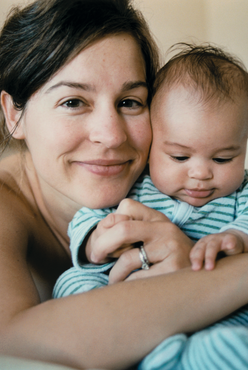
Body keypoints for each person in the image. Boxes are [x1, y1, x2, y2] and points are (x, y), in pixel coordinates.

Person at [0, 0, 248, 369]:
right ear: (13, 114)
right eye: (73, 101)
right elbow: (13, 346)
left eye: (130, 102)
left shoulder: (182, 183)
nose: (112, 136)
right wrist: (225, 274)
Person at [53, 44, 248, 369]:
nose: (200, 173)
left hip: (210, 306)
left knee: (233, 327)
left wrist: (236, 238)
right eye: (180, 157)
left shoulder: (241, 190)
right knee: (73, 282)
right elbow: (89, 216)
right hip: (128, 297)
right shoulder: (136, 184)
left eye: (223, 158)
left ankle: (190, 356)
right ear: (154, 140)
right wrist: (92, 240)